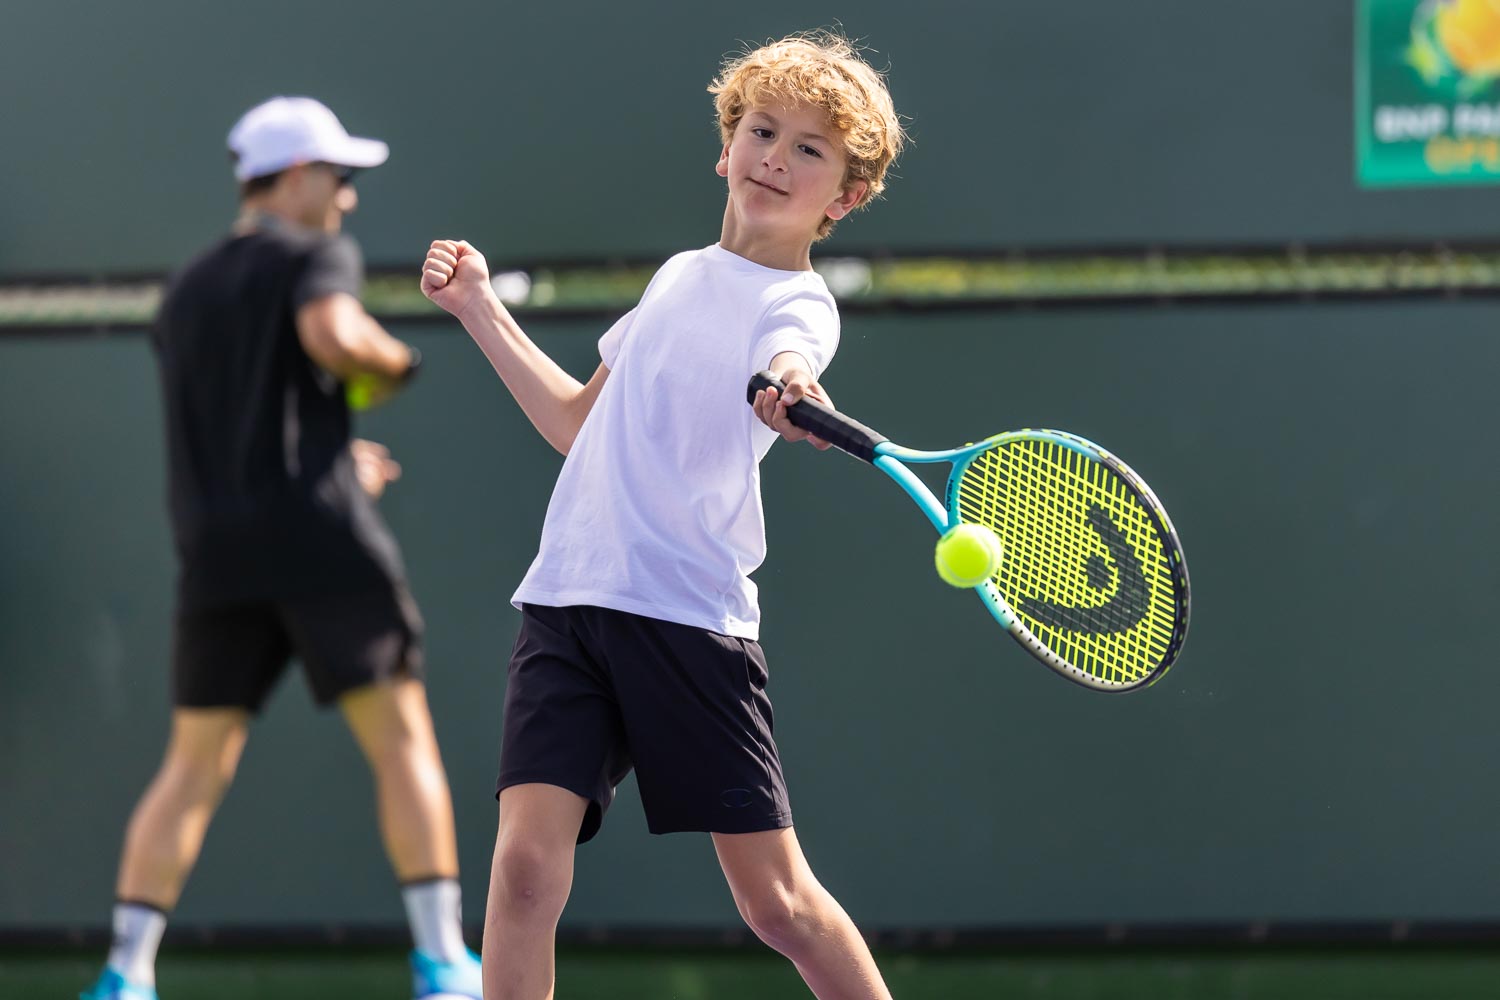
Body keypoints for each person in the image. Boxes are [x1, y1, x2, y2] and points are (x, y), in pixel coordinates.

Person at [419, 31, 905, 1000]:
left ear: (844, 198)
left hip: (687, 621)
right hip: (568, 604)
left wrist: (789, 386)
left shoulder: (800, 304)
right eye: (761, 131)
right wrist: (478, 307)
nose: (775, 158)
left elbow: (791, 356)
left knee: (777, 906)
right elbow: (577, 424)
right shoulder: (677, 276)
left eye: (809, 149)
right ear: (725, 148)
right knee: (523, 870)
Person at [81, 97, 482, 1000]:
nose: (346, 200)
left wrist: (332, 463)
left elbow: (249, 423)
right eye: (338, 179)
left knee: (193, 766)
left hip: (217, 558)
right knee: (403, 742)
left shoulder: (186, 287)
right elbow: (333, 337)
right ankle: (444, 965)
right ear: (297, 177)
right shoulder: (313, 256)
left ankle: (125, 975)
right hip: (320, 545)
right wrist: (397, 364)